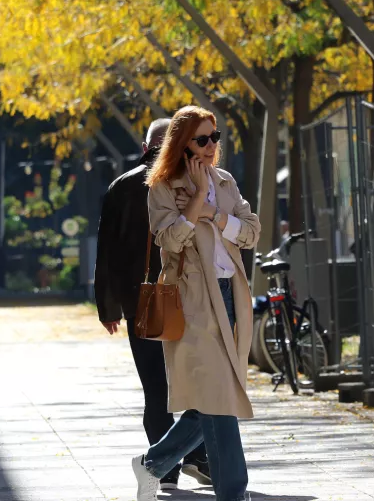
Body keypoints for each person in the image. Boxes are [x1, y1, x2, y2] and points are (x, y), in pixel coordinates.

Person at [132, 105, 261, 501]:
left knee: (213, 396)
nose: (210, 146)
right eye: (201, 139)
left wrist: (218, 217)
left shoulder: (225, 182)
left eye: (214, 138)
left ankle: (153, 463)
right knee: (220, 394)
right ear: (182, 143)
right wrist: (196, 205)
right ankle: (233, 493)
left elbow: (251, 233)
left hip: (230, 297)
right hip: (191, 301)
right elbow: (169, 240)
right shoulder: (162, 187)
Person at [95, 118, 211, 492]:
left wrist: (109, 306)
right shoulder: (192, 182)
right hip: (189, 297)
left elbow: (107, 252)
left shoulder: (122, 186)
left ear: (146, 146)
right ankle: (190, 456)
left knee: (155, 388)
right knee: (195, 382)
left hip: (142, 303)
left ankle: (168, 464)